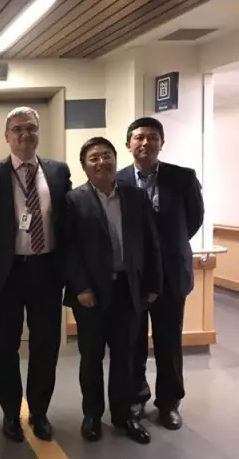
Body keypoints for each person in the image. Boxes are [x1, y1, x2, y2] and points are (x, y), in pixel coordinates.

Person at [0, 106, 71, 442]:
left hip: (46, 270)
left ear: (38, 132)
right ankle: (10, 413)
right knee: (5, 347)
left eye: (30, 127)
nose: (24, 134)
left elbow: (68, 221)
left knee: (46, 345)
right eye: (17, 129)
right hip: (7, 273)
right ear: (7, 136)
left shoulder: (58, 171)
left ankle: (40, 412)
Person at [64, 137, 162, 444]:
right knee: (91, 358)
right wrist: (81, 286)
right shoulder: (73, 200)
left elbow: (151, 242)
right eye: (93, 158)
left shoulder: (135, 196)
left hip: (128, 291)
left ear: (116, 159)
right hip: (91, 294)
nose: (101, 162)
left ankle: (124, 415)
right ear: (84, 166)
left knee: (126, 358)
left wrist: (153, 284)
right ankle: (92, 415)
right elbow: (68, 249)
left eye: (106, 156)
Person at [117, 117, 204, 429]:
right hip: (133, 277)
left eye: (153, 137)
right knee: (133, 342)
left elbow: (193, 219)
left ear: (161, 143)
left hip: (171, 274)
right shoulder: (117, 179)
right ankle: (136, 396)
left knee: (169, 342)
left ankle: (169, 403)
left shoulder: (182, 178)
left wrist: (166, 248)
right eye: (139, 137)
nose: (145, 143)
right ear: (128, 144)